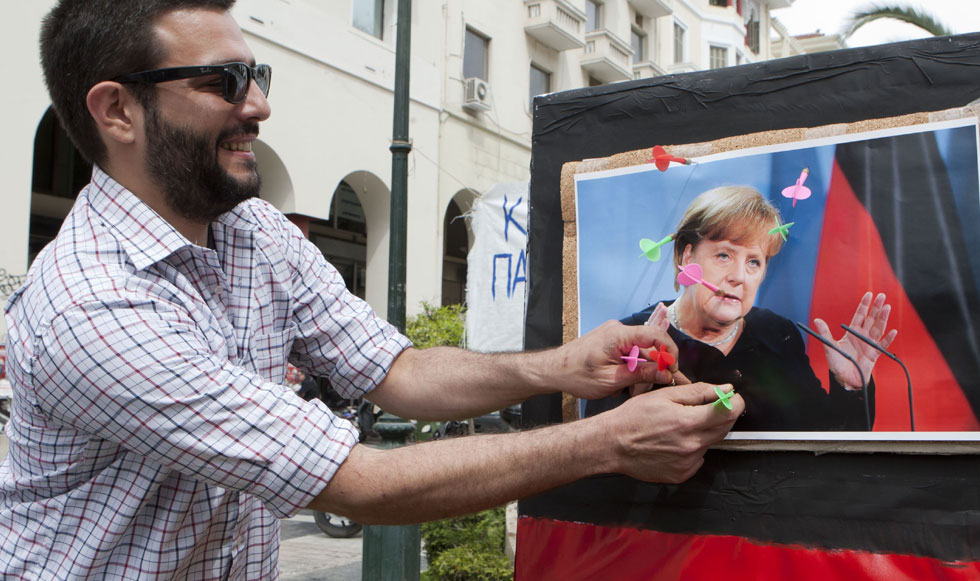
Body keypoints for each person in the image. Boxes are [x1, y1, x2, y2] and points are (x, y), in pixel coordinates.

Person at [0, 1, 744, 578]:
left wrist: (560, 366)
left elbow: (399, 370)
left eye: (259, 77)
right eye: (224, 82)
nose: (257, 105)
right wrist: (609, 439)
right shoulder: (89, 304)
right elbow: (361, 481)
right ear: (117, 109)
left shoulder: (253, 231)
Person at [587, 186, 896, 431]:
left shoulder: (778, 334)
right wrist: (633, 401)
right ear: (686, 256)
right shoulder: (631, 338)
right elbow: (596, 463)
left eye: (753, 262)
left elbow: (826, 447)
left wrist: (850, 385)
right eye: (724, 255)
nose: (738, 277)